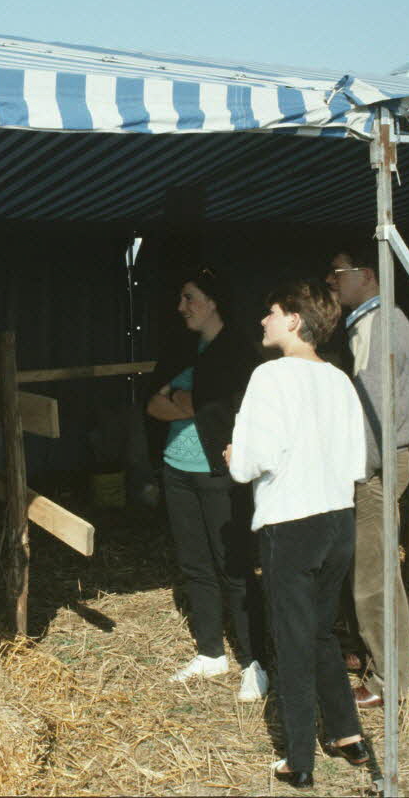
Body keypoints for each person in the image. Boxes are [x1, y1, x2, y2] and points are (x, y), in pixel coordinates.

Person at [226, 279, 371, 789]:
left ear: (293, 319)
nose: (263, 321)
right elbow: (359, 461)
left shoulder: (269, 377)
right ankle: (348, 733)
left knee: (290, 641)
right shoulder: (339, 380)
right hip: (338, 518)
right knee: (319, 631)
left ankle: (299, 759)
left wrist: (233, 456)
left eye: (270, 312)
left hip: (292, 522)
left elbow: (248, 464)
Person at [146, 268, 268, 699]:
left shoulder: (237, 352)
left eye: (190, 298)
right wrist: (186, 406)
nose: (182, 308)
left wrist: (184, 403)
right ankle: (211, 652)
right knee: (195, 564)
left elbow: (220, 408)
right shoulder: (185, 346)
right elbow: (152, 403)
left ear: (214, 301)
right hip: (176, 467)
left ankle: (256, 660)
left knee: (234, 566)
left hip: (219, 470)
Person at [325, 242, 409, 710]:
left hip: (377, 464)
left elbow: (376, 407)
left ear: (366, 273)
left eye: (338, 273)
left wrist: (359, 470)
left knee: (374, 578)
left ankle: (389, 679)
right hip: (377, 461)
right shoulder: (368, 322)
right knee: (373, 573)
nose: (332, 281)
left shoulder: (382, 323)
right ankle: (381, 662)